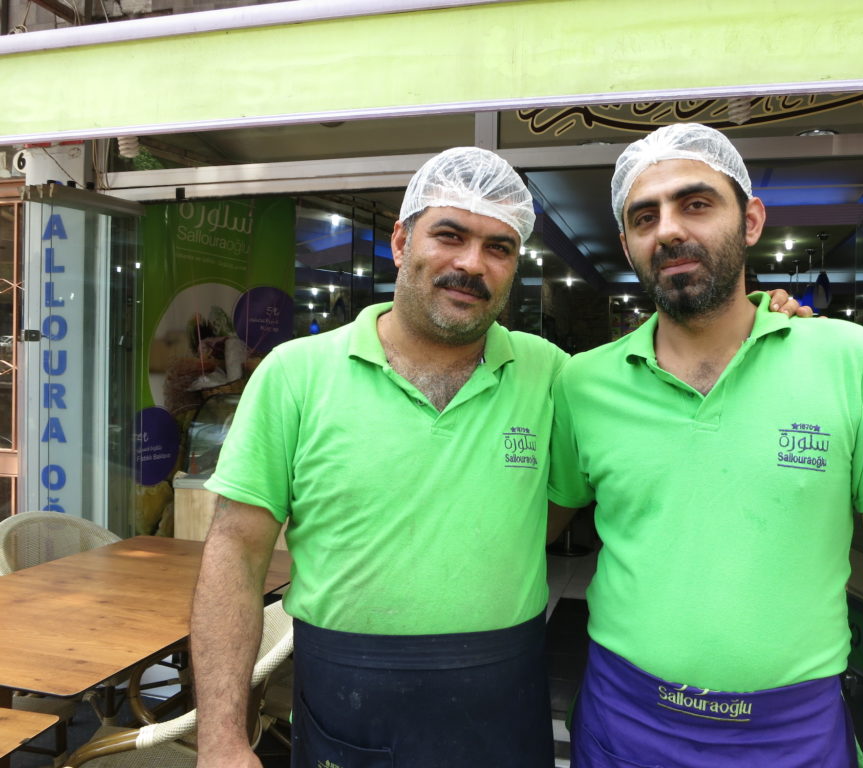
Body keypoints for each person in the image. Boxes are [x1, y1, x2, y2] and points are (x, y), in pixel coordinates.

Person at [190, 145, 806, 768]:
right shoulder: (296, 374)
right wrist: (220, 738)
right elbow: (235, 554)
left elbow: (583, 480)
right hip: (347, 694)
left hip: (504, 695)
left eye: (498, 247)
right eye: (450, 236)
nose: (471, 264)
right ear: (402, 243)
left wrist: (765, 319)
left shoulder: (553, 376)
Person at [547, 123, 863, 768]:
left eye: (696, 203)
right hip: (624, 718)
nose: (670, 229)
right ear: (627, 245)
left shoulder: (848, 360)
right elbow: (535, 522)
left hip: (791, 732)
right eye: (644, 217)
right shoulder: (583, 381)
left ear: (751, 220)